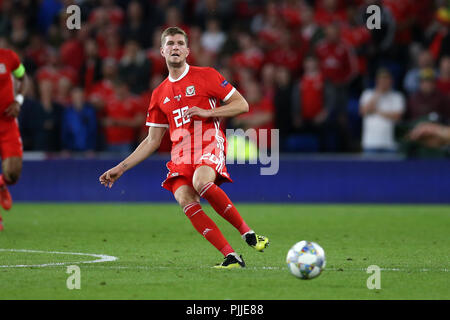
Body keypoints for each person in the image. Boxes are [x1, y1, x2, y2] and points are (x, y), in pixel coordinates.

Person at [99, 27, 269, 269]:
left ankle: (248, 234)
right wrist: (120, 167)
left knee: (201, 182)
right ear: (162, 51)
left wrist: (208, 112)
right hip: (181, 153)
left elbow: (242, 105)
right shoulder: (159, 94)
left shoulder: (207, 75)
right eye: (170, 43)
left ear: (188, 50)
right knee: (184, 198)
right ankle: (231, 256)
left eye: (180, 43)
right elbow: (152, 140)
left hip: (209, 140)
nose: (175, 47)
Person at [0, 47, 27, 231]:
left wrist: (18, 100)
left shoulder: (9, 57)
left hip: (7, 122)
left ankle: (2, 183)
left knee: (13, 174)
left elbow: (23, 78)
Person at [359, 68, 405, 153]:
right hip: (370, 143)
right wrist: (378, 93)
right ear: (377, 81)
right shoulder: (367, 94)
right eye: (381, 79)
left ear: (391, 81)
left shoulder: (397, 96)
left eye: (386, 79)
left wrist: (376, 111)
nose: (383, 82)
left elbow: (397, 116)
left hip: (390, 144)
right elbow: (364, 111)